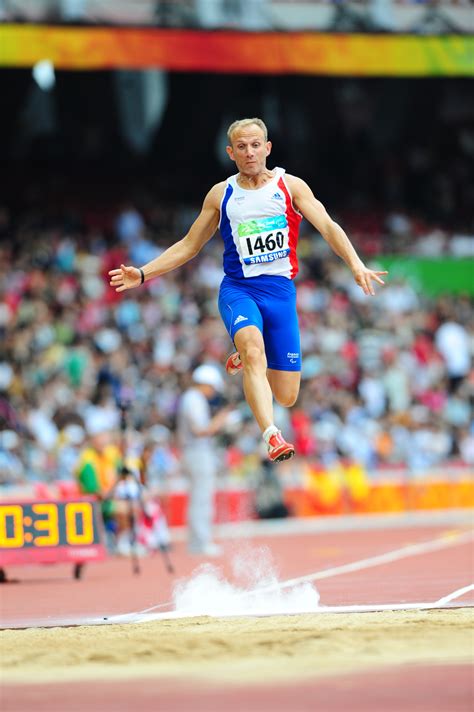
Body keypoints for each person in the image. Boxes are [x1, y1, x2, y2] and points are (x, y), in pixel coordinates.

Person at [109, 117, 387, 462]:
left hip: (281, 295)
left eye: (256, 145)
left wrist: (356, 263)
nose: (250, 152)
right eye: (242, 146)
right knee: (254, 351)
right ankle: (272, 435)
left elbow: (328, 227)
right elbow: (189, 245)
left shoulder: (290, 187)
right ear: (231, 153)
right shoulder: (222, 194)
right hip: (239, 290)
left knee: (286, 395)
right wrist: (143, 272)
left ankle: (251, 349)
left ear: (267, 148)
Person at [176, 364, 230, 556]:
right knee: (201, 499)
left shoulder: (190, 398)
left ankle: (198, 541)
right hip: (196, 452)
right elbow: (200, 430)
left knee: (199, 498)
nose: (213, 392)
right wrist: (221, 420)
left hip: (194, 452)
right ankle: (201, 542)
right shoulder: (194, 399)